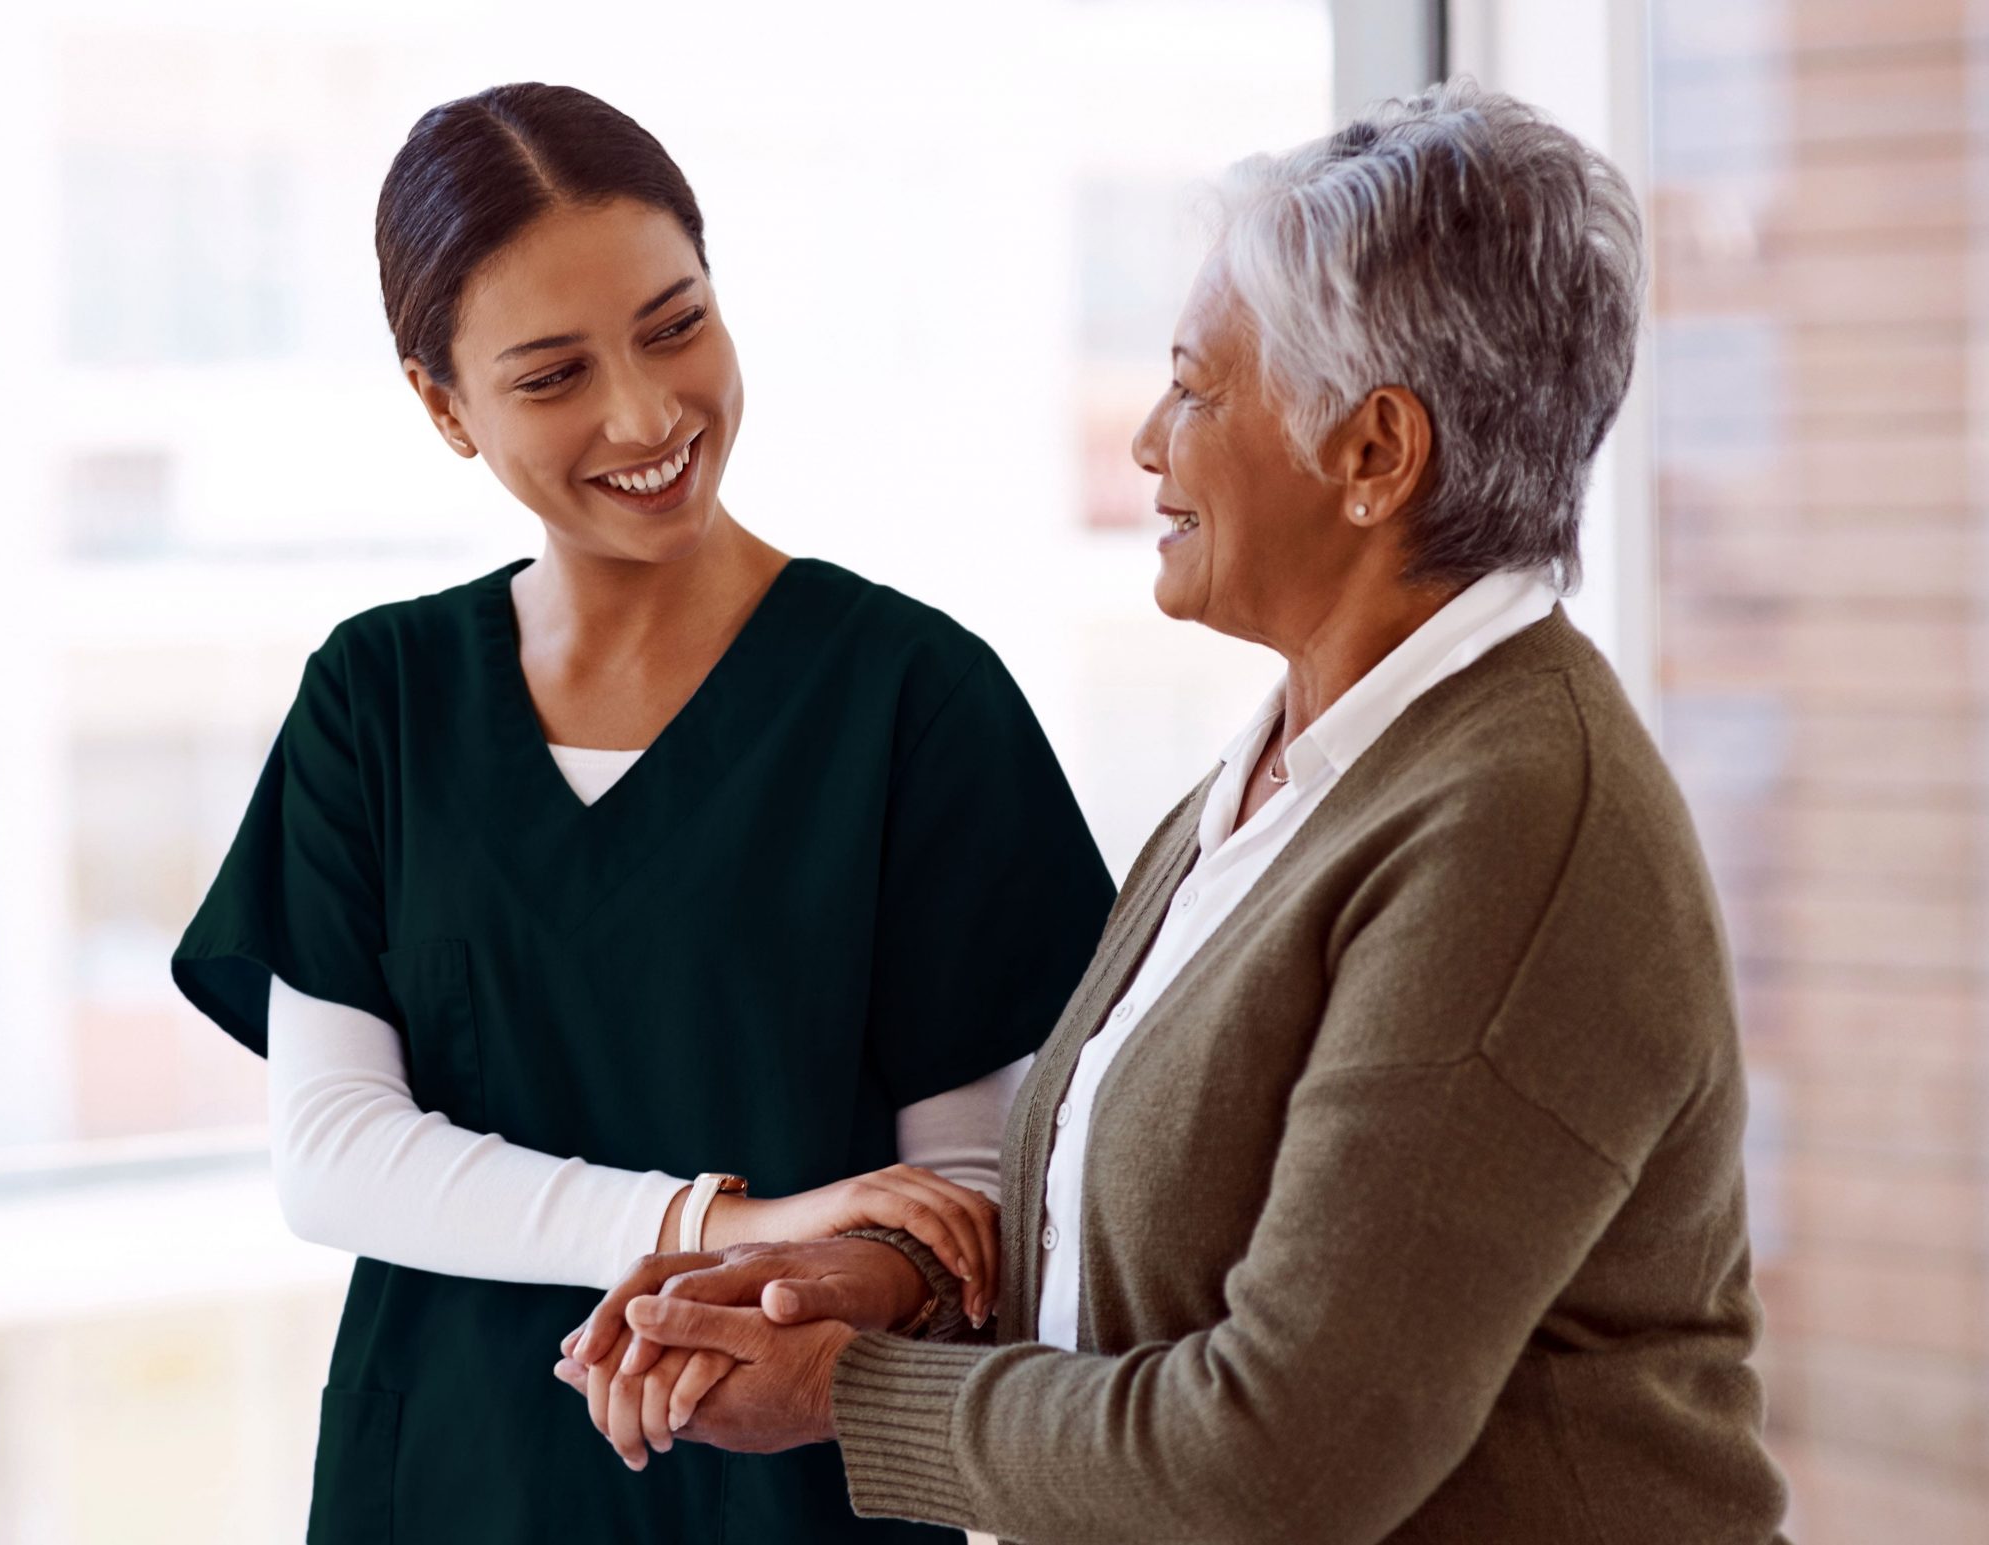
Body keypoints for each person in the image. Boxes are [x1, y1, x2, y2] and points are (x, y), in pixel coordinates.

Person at [561, 80, 1792, 1544]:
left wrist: (853, 1389)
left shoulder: (1515, 823)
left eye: (1198, 388)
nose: (1149, 439)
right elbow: (1177, 1243)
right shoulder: (1303, 763)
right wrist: (896, 1277)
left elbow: (1280, 1456)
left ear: (1374, 455)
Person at [169, 82, 1114, 1545]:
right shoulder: (381, 699)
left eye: (676, 325)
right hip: (445, 1484)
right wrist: (715, 1223)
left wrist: (812, 1270)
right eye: (550, 376)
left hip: (796, 1489)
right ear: (444, 406)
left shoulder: (917, 698)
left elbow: (960, 1197)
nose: (645, 412)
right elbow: (337, 1152)